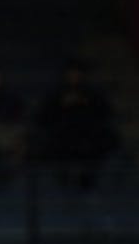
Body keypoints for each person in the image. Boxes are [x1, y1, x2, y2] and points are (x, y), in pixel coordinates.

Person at [31, 60, 118, 189]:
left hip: (88, 135)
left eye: (77, 73)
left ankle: (87, 181)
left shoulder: (92, 93)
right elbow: (42, 117)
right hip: (61, 135)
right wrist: (61, 105)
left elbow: (106, 113)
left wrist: (86, 103)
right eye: (71, 73)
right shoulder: (56, 93)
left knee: (103, 143)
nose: (74, 76)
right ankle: (63, 179)